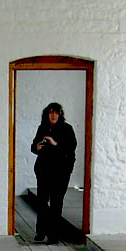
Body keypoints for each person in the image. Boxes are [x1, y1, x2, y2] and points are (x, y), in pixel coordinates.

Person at [30, 102, 77, 243]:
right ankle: (41, 232)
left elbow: (71, 147)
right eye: (51, 112)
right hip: (44, 170)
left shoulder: (67, 128)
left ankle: (54, 235)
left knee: (56, 202)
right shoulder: (42, 127)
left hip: (61, 171)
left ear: (60, 114)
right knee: (42, 201)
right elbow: (33, 146)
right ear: (47, 114)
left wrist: (55, 143)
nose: (53, 115)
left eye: (56, 112)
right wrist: (37, 147)